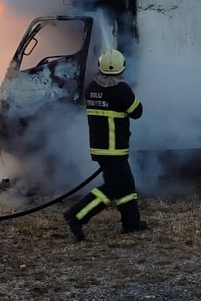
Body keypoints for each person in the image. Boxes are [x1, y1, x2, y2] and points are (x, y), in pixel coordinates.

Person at [63, 49, 148, 241]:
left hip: (99, 148)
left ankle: (131, 223)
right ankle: (77, 215)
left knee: (126, 184)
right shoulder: (121, 90)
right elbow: (137, 112)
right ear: (121, 68)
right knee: (112, 188)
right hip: (115, 149)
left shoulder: (91, 87)